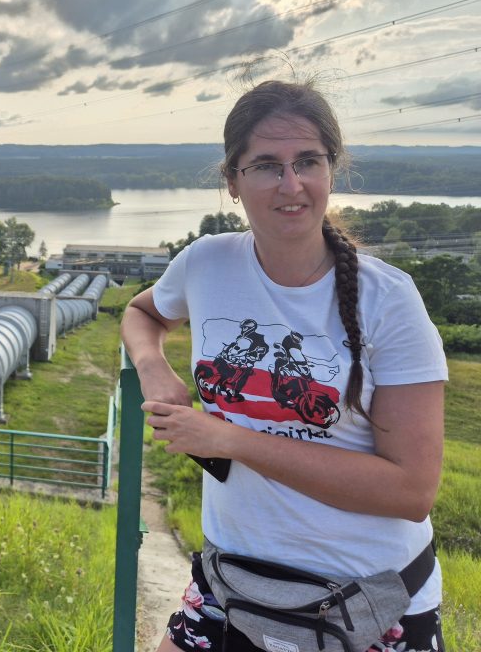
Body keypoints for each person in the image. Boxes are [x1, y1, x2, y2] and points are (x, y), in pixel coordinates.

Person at [120, 80, 447, 652]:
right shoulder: (207, 263)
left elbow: (411, 490)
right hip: (233, 579)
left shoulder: (389, 300)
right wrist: (153, 366)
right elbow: (142, 313)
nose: (290, 185)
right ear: (233, 181)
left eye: (307, 162)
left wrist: (230, 440)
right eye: (267, 166)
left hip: (365, 602)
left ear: (331, 171)